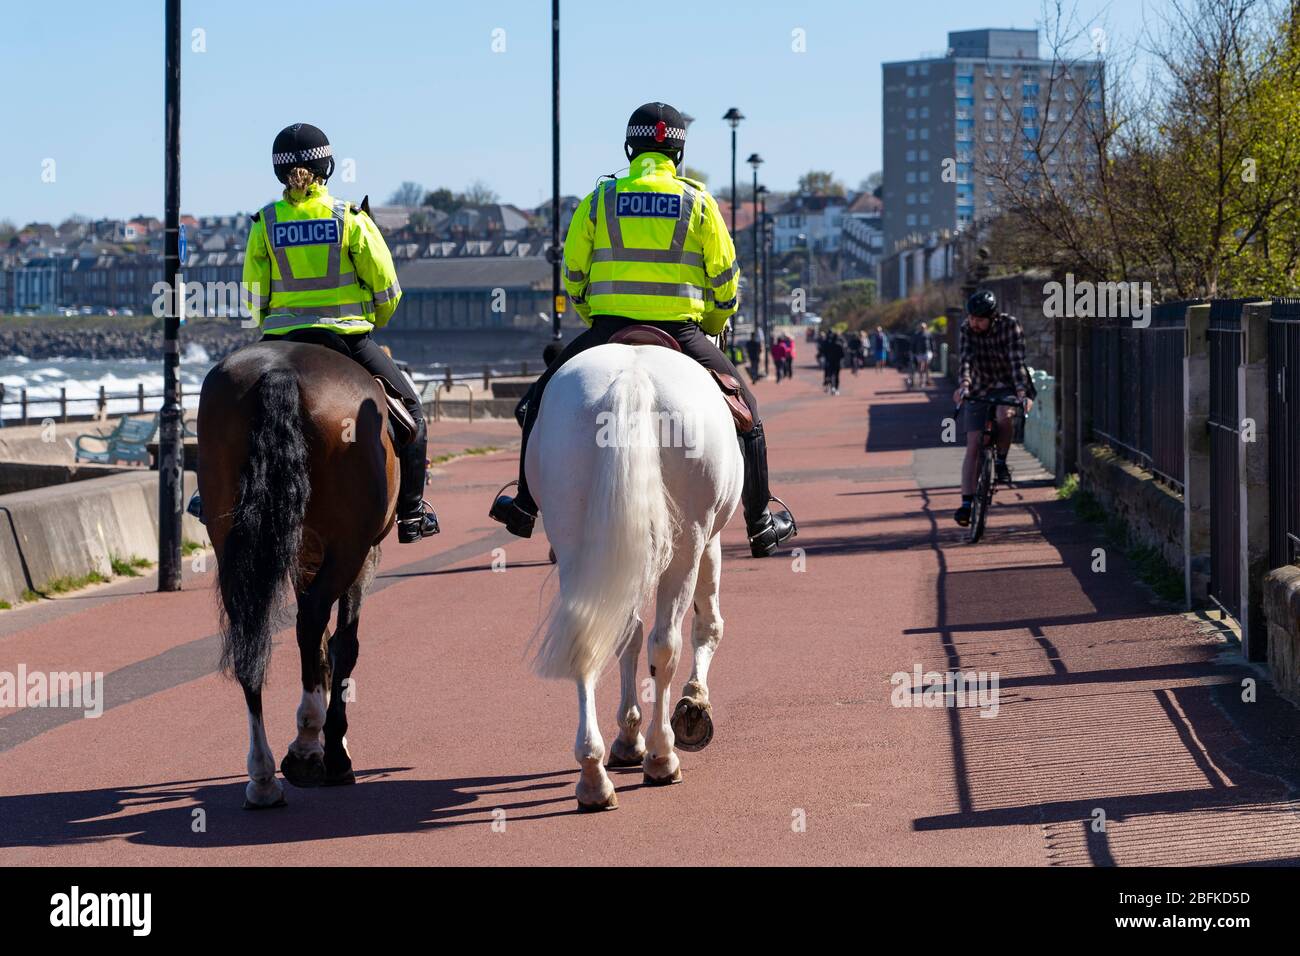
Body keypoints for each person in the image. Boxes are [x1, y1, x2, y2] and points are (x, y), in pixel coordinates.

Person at [488, 102, 796, 558]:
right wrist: (712, 322)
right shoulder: (698, 202)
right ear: (678, 151)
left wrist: (593, 314)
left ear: (630, 147)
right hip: (683, 331)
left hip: (609, 326)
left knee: (537, 403)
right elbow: (725, 282)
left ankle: (526, 507)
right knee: (746, 410)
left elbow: (574, 273)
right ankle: (759, 521)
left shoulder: (599, 199)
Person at [192, 123, 439, 542]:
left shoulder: (264, 222)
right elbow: (388, 290)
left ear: (279, 173)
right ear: (327, 166)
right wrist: (370, 321)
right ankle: (413, 514)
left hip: (280, 340)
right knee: (413, 414)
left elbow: (253, 299)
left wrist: (277, 320)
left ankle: (206, 496)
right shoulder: (350, 218)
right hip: (347, 340)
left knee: (227, 409)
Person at [951, 289, 1033, 527]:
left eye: (979, 319)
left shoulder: (1010, 326)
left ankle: (1001, 461)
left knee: (1004, 416)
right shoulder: (967, 328)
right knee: (974, 444)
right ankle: (966, 504)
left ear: (993, 317)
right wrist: (964, 385)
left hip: (1008, 384)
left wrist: (1021, 392)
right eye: (972, 318)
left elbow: (1017, 361)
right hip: (979, 386)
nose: (974, 323)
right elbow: (965, 358)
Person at [911, 321, 935, 387]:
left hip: (927, 351)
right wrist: (913, 352)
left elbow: (932, 342)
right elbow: (914, 343)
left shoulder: (928, 334)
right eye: (921, 327)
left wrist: (933, 350)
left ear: (926, 327)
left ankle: (927, 380)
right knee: (920, 366)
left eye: (923, 327)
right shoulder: (916, 334)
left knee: (927, 366)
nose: (922, 328)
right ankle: (921, 381)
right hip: (919, 352)